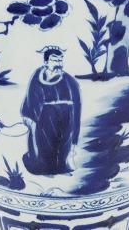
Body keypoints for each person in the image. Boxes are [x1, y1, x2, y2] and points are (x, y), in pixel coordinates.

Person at [21, 46, 81, 175]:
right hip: (44, 118)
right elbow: (30, 97)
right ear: (46, 62)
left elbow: (77, 105)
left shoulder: (69, 81)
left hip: (66, 117)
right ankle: (45, 169)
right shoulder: (37, 77)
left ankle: (62, 168)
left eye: (60, 60)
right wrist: (28, 115)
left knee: (63, 145)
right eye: (54, 60)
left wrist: (75, 131)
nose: (58, 63)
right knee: (44, 145)